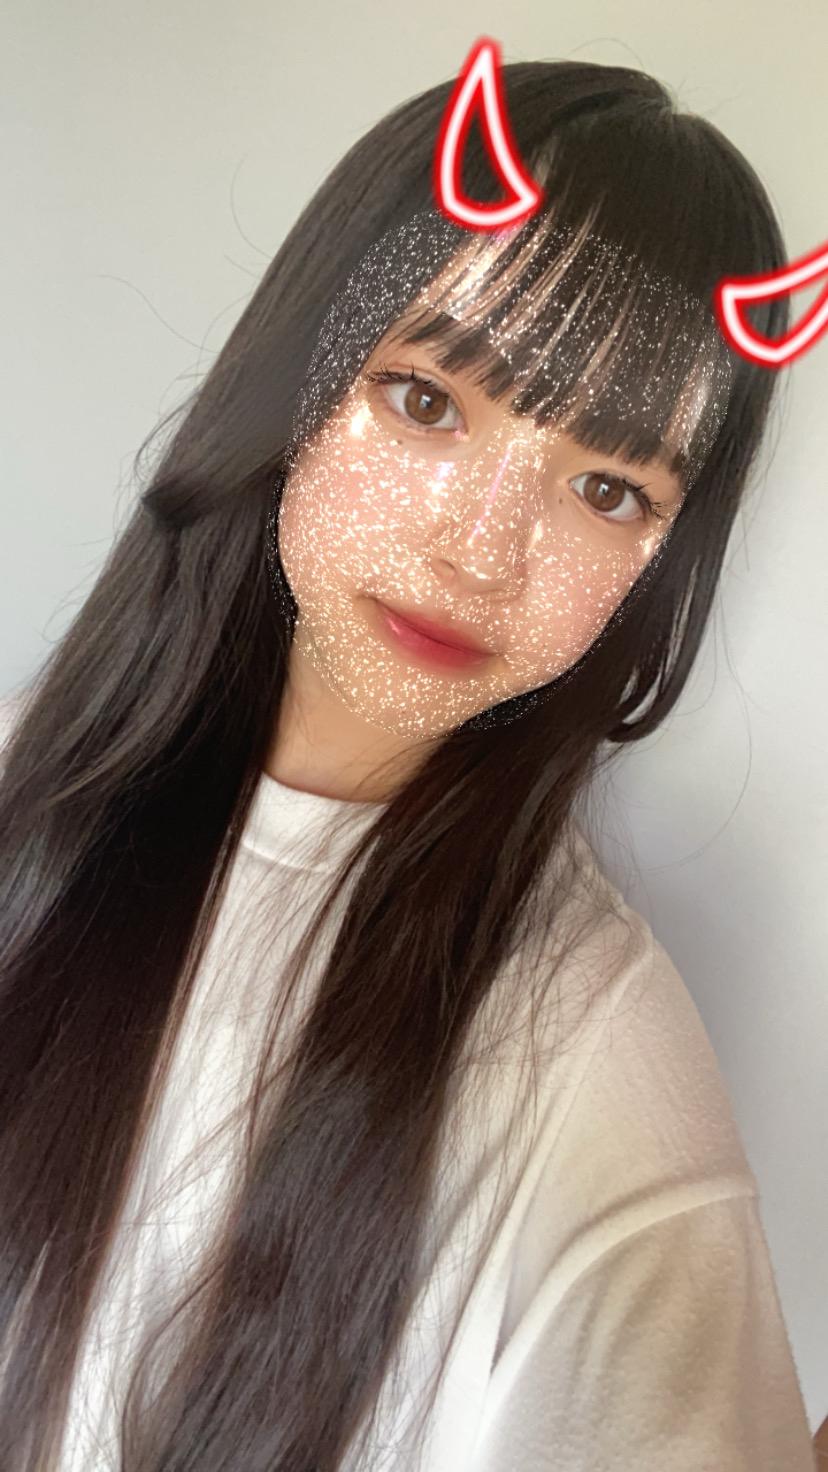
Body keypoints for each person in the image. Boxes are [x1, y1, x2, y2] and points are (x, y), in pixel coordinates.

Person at [0, 57, 816, 1472]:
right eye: (428, 400)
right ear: (297, 379)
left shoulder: (600, 1098)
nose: (480, 551)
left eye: (608, 488)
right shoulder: (34, 783)